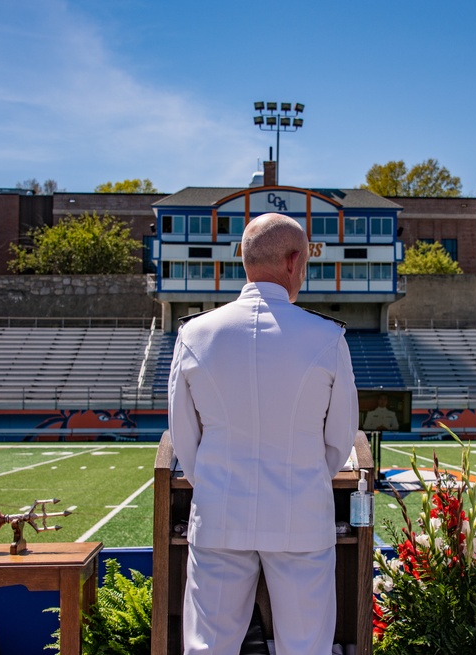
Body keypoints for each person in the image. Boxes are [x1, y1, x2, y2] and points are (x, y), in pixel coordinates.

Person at [167, 212, 359, 655]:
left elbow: (184, 435)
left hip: (219, 512)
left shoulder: (195, 334)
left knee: (208, 648)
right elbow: (339, 439)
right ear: (293, 262)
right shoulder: (326, 337)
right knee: (306, 647)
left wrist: (216, 481)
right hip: (300, 516)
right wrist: (304, 476)